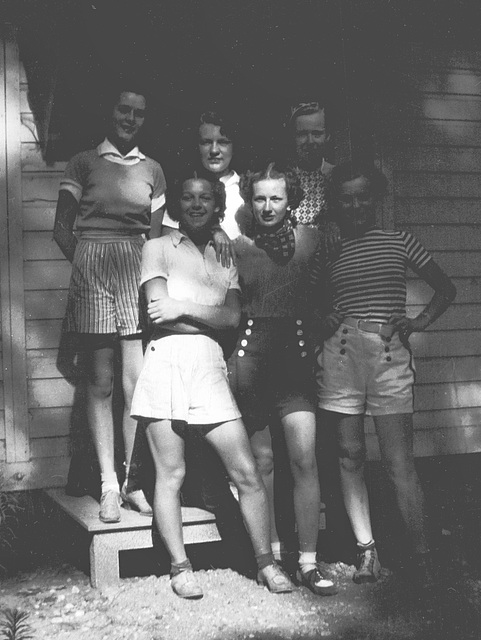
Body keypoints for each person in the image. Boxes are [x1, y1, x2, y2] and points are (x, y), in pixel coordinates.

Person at [130, 173, 294, 599]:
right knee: (172, 473)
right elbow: (156, 315)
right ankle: (180, 566)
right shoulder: (156, 248)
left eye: (205, 197)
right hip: (165, 362)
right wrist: (206, 313)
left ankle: (265, 564)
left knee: (246, 472)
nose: (197, 204)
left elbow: (232, 318)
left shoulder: (225, 253)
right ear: (177, 205)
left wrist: (182, 307)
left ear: (216, 204)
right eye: (188, 197)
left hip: (208, 365)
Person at [310, 159, 457, 584]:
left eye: (362, 198)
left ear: (375, 200)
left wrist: (418, 322)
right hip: (340, 357)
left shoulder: (400, 241)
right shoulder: (331, 251)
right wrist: (325, 315)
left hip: (389, 357)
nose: (355, 206)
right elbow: (312, 302)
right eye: (346, 199)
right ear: (336, 203)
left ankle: (422, 552)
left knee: (398, 462)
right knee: (350, 455)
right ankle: (367, 551)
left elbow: (445, 289)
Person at [53, 86, 165, 522]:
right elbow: (63, 229)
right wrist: (86, 264)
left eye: (139, 112)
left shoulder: (153, 169)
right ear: (110, 111)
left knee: (136, 383)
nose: (130, 118)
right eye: (123, 109)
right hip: (94, 272)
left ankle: (134, 479)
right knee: (100, 382)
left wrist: (142, 273)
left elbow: (154, 238)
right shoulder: (83, 162)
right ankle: (108, 485)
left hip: (136, 271)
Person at [226, 162, 337, 596]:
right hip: (252, 363)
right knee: (264, 464)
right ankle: (269, 558)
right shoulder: (235, 245)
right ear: (248, 201)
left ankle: (308, 562)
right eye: (259, 198)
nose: (267, 206)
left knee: (304, 459)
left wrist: (319, 333)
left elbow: (333, 293)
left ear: (290, 199)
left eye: (276, 197)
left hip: (295, 364)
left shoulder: (312, 240)